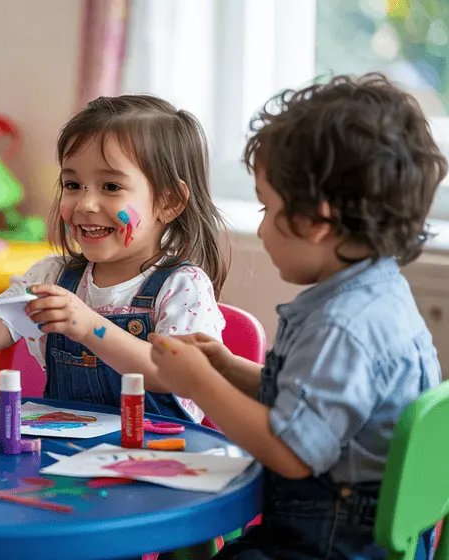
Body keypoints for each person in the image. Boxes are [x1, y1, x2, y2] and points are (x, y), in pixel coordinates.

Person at [150, 74, 446, 559]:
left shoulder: (342, 326)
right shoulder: (379, 292)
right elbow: (311, 404)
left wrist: (201, 383)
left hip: (330, 542)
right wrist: (225, 366)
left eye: (268, 208)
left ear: (316, 222)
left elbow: (291, 452)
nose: (262, 229)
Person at [0, 95, 227, 423]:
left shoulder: (183, 286)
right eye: (73, 184)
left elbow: (180, 375)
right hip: (67, 459)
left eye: (111, 186)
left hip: (159, 461)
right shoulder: (52, 276)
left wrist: (90, 327)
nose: (85, 204)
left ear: (169, 202)